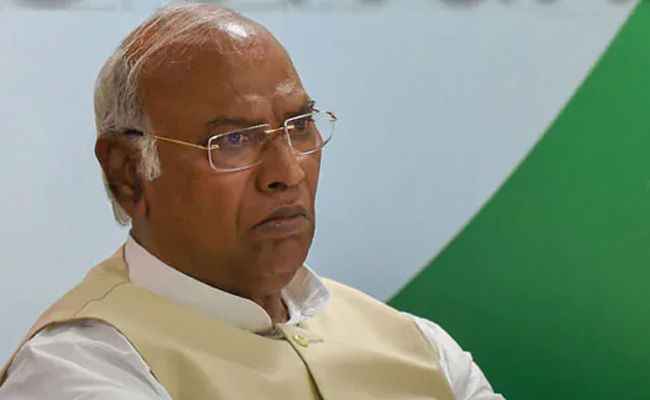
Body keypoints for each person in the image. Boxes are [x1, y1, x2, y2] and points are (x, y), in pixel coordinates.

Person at [0, 4, 505, 400]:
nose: (288, 173)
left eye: (299, 126)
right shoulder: (79, 369)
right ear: (128, 174)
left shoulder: (419, 345)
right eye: (233, 140)